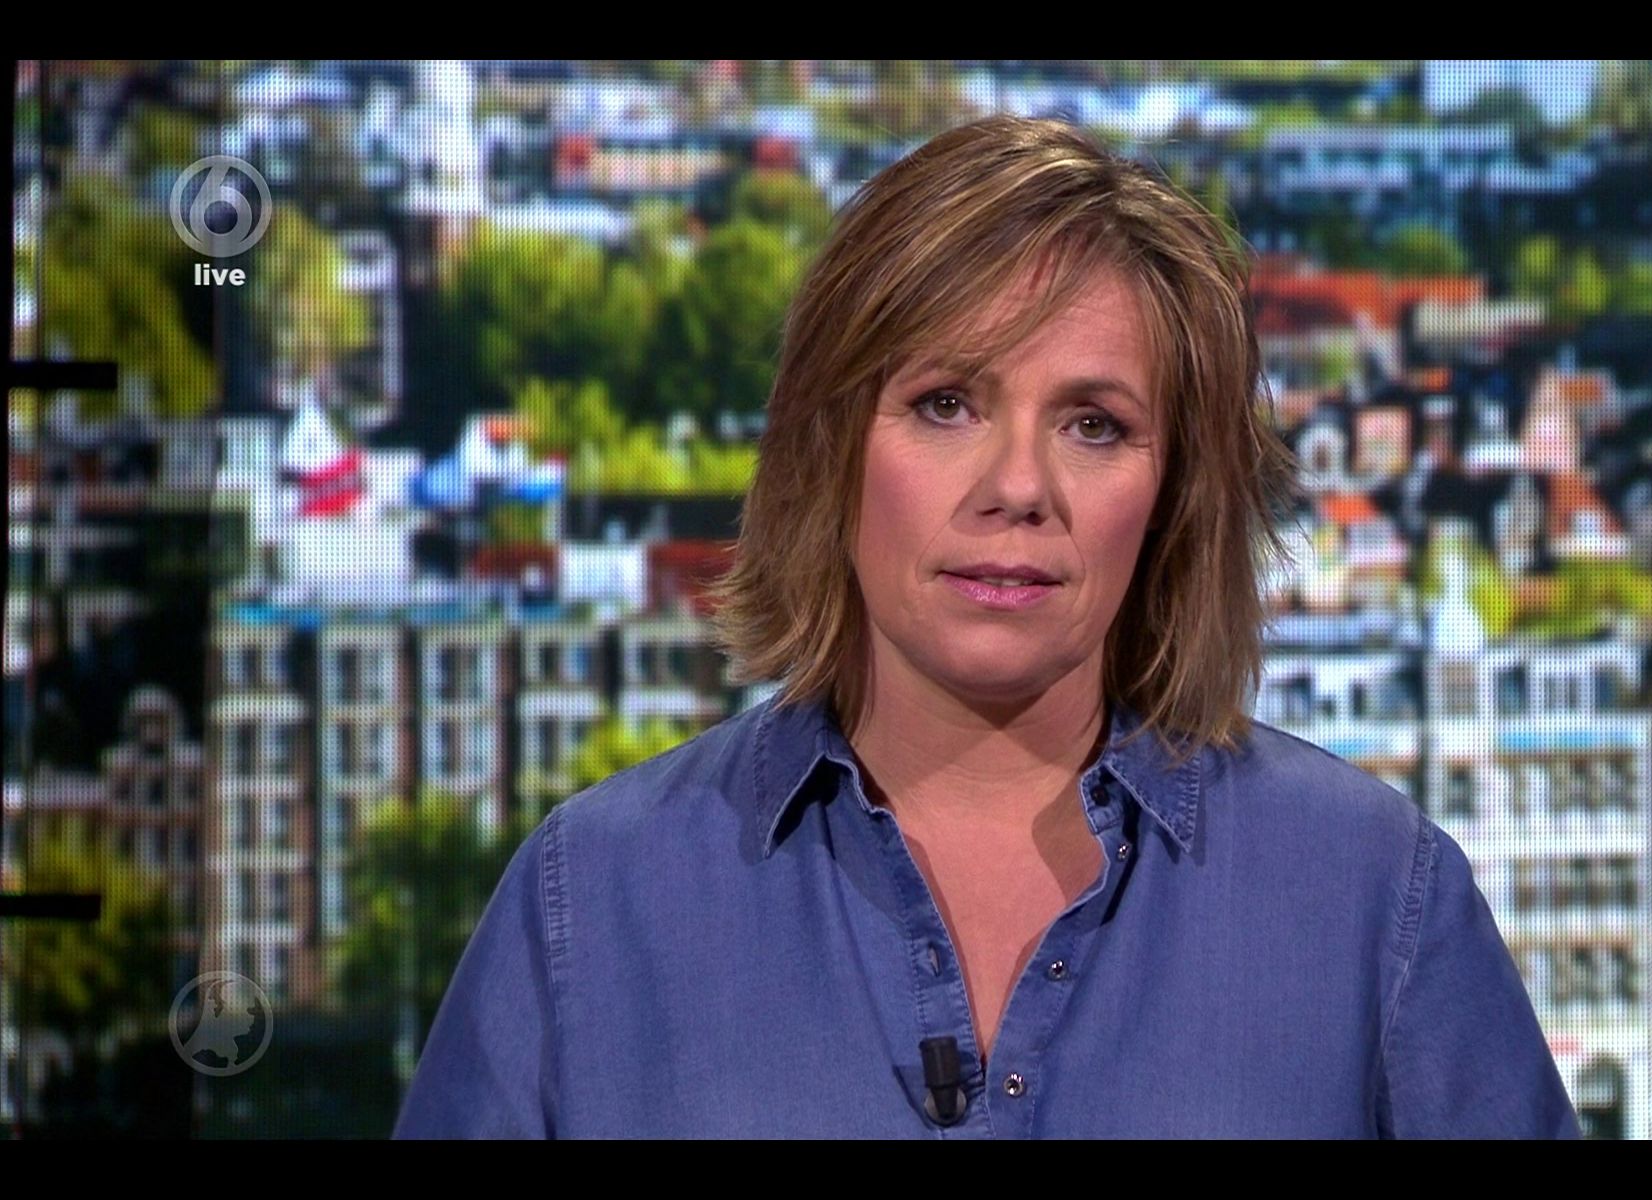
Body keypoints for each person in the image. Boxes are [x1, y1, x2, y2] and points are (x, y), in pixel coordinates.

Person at [392, 114, 1584, 1139]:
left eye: (1095, 425)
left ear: (1172, 492)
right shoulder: (595, 902)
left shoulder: (1372, 898)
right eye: (946, 404)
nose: (1018, 487)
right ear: (828, 446)